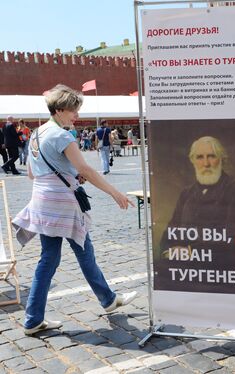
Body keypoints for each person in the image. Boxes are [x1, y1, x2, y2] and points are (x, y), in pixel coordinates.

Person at [11, 84, 136, 336]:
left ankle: (34, 318)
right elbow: (86, 170)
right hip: (62, 204)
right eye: (72, 111)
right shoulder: (62, 136)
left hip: (43, 202)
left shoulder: (37, 133)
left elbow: (33, 175)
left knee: (50, 259)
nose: (76, 116)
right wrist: (115, 193)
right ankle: (108, 299)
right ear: (59, 110)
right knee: (82, 252)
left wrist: (66, 175)